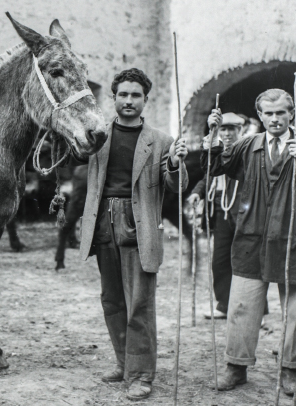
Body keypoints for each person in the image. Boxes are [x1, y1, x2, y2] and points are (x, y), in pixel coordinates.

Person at [202, 89, 296, 396]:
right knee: (242, 305)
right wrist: (213, 135)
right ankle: (236, 367)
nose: (275, 119)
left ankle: (290, 370)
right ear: (260, 116)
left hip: (293, 237)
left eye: (281, 113)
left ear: (291, 113)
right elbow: (217, 166)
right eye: (268, 113)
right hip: (251, 237)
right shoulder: (248, 144)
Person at [71, 68, 188, 400]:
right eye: (122, 94)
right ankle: (124, 363)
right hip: (102, 224)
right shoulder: (98, 136)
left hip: (138, 225)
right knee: (112, 301)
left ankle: (141, 374)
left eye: (135, 95)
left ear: (145, 100)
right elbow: (71, 156)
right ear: (113, 98)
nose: (128, 100)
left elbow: (176, 188)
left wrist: (177, 163)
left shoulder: (162, 142)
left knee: (139, 303)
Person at [188, 113, 260, 319]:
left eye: (232, 129)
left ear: (240, 130)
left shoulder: (246, 151)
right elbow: (208, 174)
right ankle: (223, 305)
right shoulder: (215, 152)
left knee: (246, 261)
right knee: (219, 261)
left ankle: (256, 310)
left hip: (242, 213)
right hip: (220, 214)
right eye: (223, 129)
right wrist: (197, 192)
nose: (227, 134)